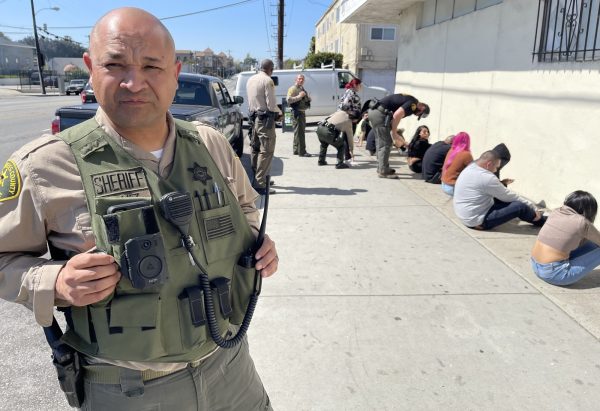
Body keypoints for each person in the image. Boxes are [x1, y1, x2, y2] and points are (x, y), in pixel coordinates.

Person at [0, 8, 278, 410]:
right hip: (129, 391)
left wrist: (259, 245)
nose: (134, 82)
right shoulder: (43, 166)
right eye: (116, 65)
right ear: (91, 68)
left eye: (152, 65)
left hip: (231, 368)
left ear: (175, 71)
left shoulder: (210, 143)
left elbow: (246, 213)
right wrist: (54, 282)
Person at [453, 150, 546, 230]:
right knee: (520, 206)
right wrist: (533, 208)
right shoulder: (487, 177)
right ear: (488, 164)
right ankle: (541, 220)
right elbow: (511, 197)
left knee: (503, 199)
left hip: (464, 215)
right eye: (496, 167)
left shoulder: (471, 167)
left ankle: (532, 215)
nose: (495, 171)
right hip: (477, 221)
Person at [531, 191, 600, 286]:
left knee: (592, 244)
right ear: (588, 210)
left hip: (535, 265)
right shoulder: (582, 222)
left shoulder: (556, 212)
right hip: (555, 274)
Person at [367, 94, 430, 179]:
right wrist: (394, 131)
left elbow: (395, 116)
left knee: (380, 142)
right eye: (420, 114)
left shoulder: (410, 100)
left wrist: (396, 134)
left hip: (375, 111)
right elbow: (397, 115)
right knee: (386, 144)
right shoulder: (413, 104)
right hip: (380, 114)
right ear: (422, 107)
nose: (417, 115)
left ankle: (382, 167)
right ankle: (383, 170)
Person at [247, 59, 282, 195]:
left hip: (254, 117)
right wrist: (280, 114)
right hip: (265, 120)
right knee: (266, 150)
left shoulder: (251, 79)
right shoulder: (268, 80)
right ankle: (260, 183)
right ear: (270, 69)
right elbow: (271, 104)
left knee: (255, 148)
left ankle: (257, 177)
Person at [286, 74, 312, 157]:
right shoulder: (292, 88)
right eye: (299, 79)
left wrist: (308, 99)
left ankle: (296, 150)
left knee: (298, 132)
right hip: (297, 113)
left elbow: (303, 99)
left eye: (302, 79)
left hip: (301, 112)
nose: (301, 80)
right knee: (300, 133)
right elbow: (289, 100)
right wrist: (299, 96)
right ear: (296, 80)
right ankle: (302, 152)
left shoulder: (301, 88)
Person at [441, 132, 473, 196]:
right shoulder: (466, 154)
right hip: (452, 187)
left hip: (444, 184)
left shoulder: (451, 150)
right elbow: (474, 170)